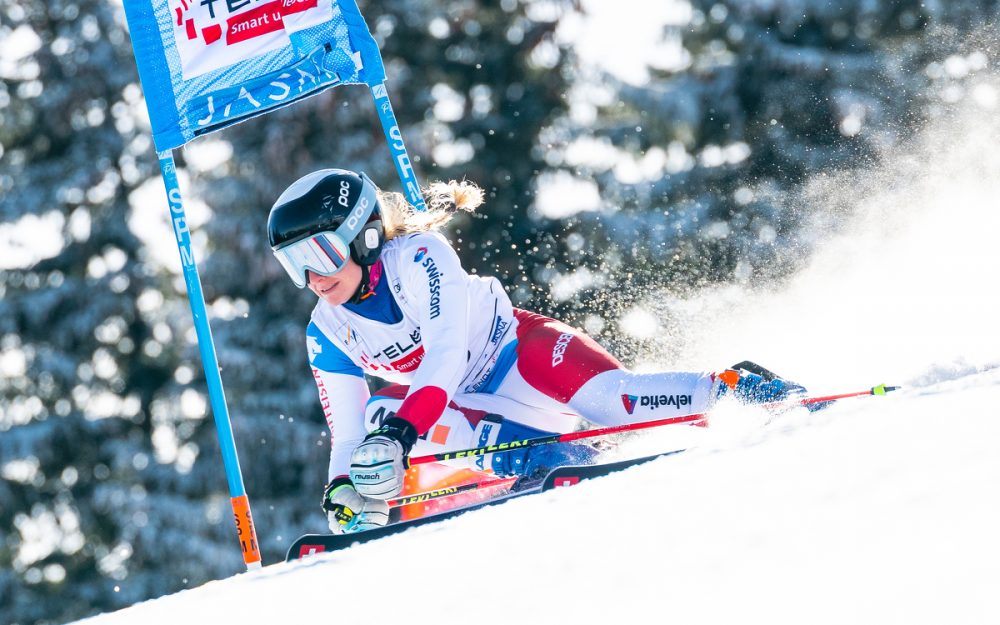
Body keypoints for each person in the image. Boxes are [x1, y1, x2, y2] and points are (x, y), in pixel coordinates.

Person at [267, 169, 805, 534]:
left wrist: (402, 437)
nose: (312, 277)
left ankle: (739, 388)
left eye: (320, 253)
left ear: (363, 235)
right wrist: (343, 490)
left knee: (619, 409)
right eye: (295, 265)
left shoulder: (420, 257)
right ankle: (551, 458)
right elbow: (348, 433)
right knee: (377, 413)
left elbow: (445, 355)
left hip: (520, 352)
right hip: (470, 407)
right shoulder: (326, 330)